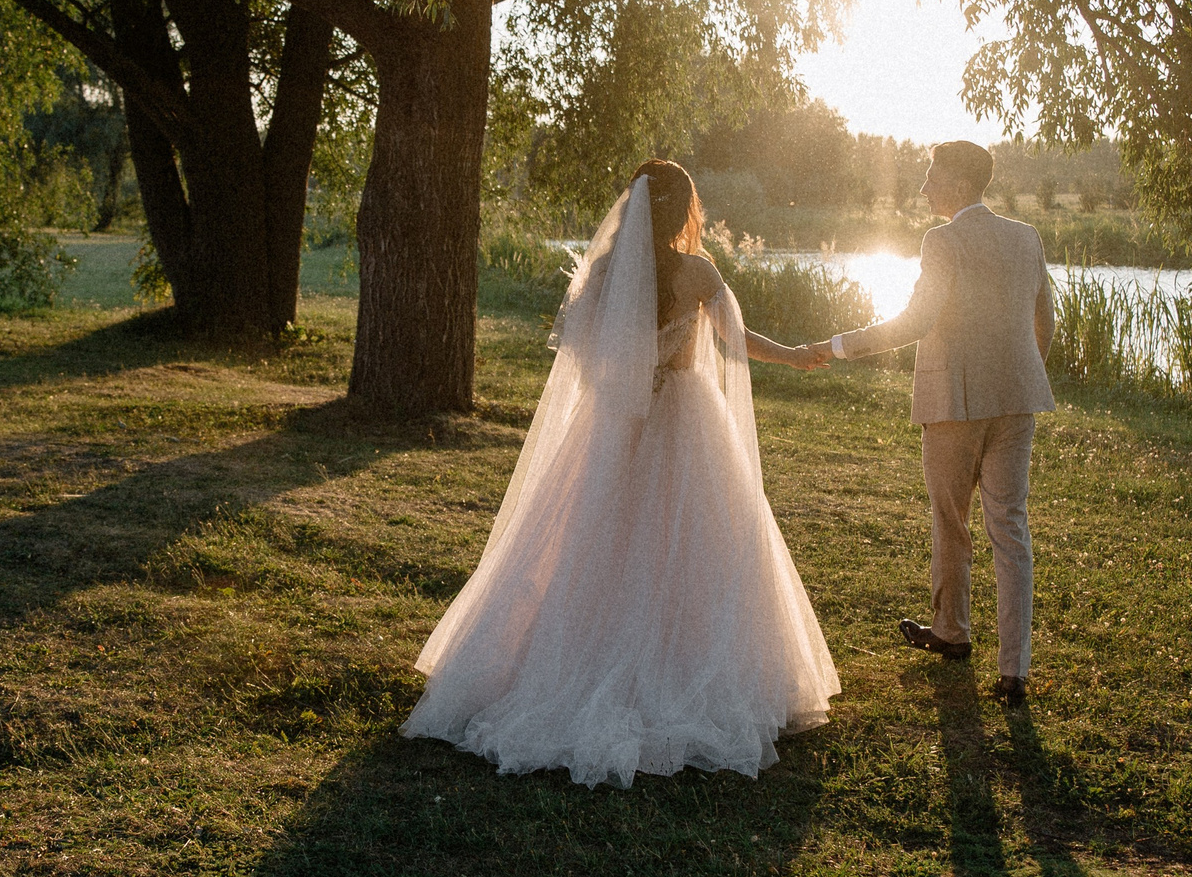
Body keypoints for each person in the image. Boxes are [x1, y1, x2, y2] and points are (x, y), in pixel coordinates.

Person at [402, 161, 839, 788]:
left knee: (596, 542)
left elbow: (581, 349)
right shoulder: (697, 271)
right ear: (683, 209)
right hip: (685, 417)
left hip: (615, 424)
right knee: (695, 544)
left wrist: (627, 384)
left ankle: (563, 662)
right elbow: (735, 339)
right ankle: (685, 668)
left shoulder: (605, 271)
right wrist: (796, 355)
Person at [815, 140, 1055, 704]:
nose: (923, 187)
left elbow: (917, 320)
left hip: (955, 401)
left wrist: (840, 345)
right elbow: (1044, 317)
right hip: (1018, 401)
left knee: (952, 520)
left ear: (959, 182)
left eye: (931, 175)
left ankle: (952, 634)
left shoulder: (942, 241)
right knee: (1010, 528)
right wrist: (1020, 377)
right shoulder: (1027, 238)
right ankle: (1012, 670)